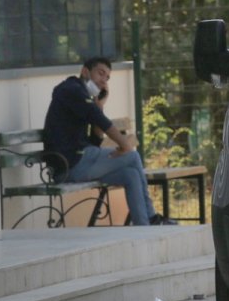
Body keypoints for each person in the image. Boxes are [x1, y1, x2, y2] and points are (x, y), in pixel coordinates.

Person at [43, 57, 176, 226]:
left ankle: (144, 228)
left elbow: (95, 140)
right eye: (100, 73)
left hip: (80, 161)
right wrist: (124, 144)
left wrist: (100, 104)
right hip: (69, 166)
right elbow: (100, 120)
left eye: (107, 78)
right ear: (85, 71)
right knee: (133, 156)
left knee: (131, 175)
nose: (103, 80)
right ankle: (151, 217)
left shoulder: (84, 99)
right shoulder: (71, 89)